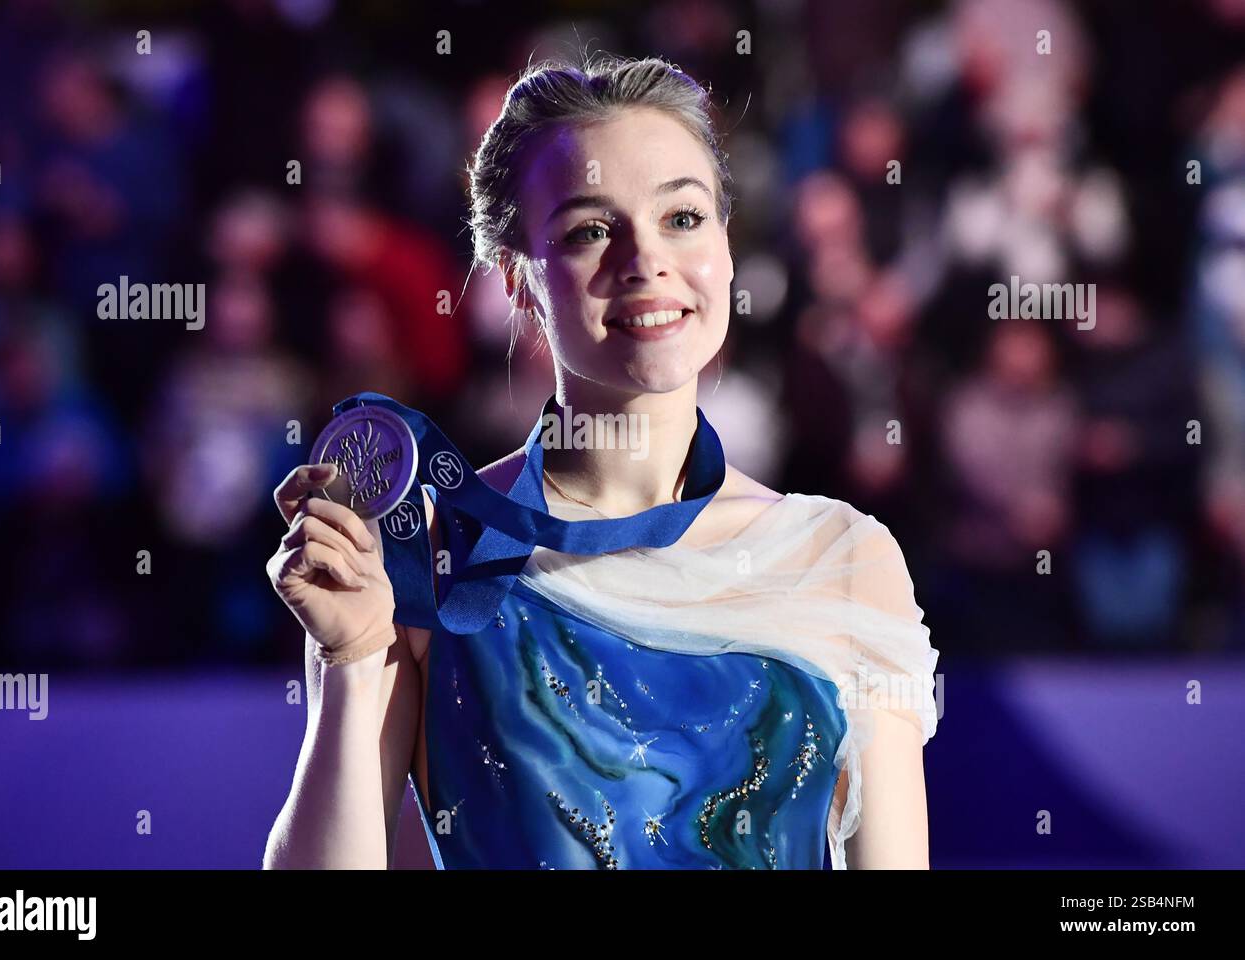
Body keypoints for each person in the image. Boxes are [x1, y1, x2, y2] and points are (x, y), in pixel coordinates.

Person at [262, 55, 939, 870]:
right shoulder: (424, 556)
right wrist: (348, 662)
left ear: (726, 247)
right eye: (589, 228)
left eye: (682, 217)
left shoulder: (844, 560)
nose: (644, 259)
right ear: (517, 279)